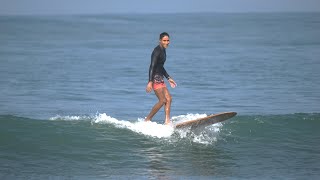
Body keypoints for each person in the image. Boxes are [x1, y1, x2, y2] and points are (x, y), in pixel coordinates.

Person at [145, 32, 177, 125]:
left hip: (160, 78)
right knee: (162, 100)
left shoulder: (163, 50)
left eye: (168, 40)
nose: (166, 42)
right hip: (155, 78)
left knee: (169, 99)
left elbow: (160, 66)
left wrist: (168, 77)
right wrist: (150, 82)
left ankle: (167, 121)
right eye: (164, 40)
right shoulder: (157, 51)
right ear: (160, 41)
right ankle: (147, 119)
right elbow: (152, 66)